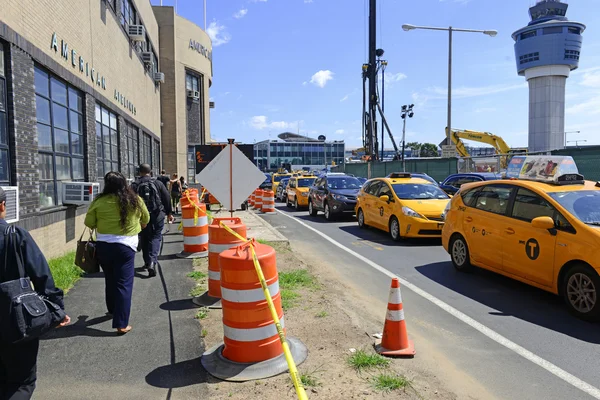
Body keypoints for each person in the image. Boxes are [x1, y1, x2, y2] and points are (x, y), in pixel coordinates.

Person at [0, 187, 70, 399]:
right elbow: (42, 276)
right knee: (21, 382)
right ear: (3, 205)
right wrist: (56, 309)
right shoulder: (15, 235)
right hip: (15, 320)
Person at [85, 172, 149, 334]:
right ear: (124, 184)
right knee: (124, 283)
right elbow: (146, 218)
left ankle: (113, 309)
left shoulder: (99, 201)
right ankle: (121, 323)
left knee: (110, 278)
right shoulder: (135, 200)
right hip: (126, 247)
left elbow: (89, 222)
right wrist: (138, 226)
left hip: (103, 246)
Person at [132, 164, 173, 278]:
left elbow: (129, 201)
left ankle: (146, 262)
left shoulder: (135, 185)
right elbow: (166, 197)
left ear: (139, 172)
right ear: (151, 172)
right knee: (156, 237)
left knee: (145, 238)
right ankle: (152, 262)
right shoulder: (158, 183)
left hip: (141, 217)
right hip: (157, 215)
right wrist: (169, 213)